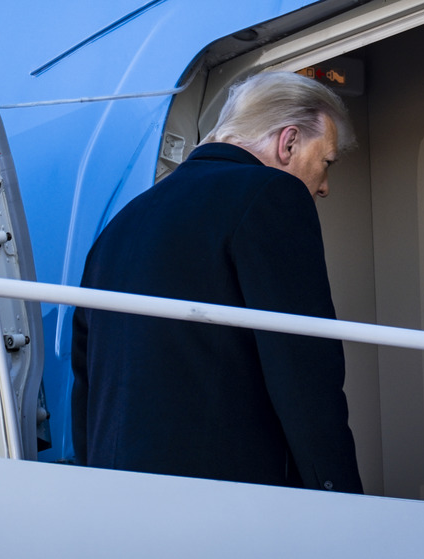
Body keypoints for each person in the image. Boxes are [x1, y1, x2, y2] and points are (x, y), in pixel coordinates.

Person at [71, 71, 363, 493]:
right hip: (226, 500)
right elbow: (303, 371)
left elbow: (88, 382)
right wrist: (341, 499)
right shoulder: (272, 194)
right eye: (326, 162)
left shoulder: (122, 224)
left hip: (118, 496)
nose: (324, 186)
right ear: (290, 141)